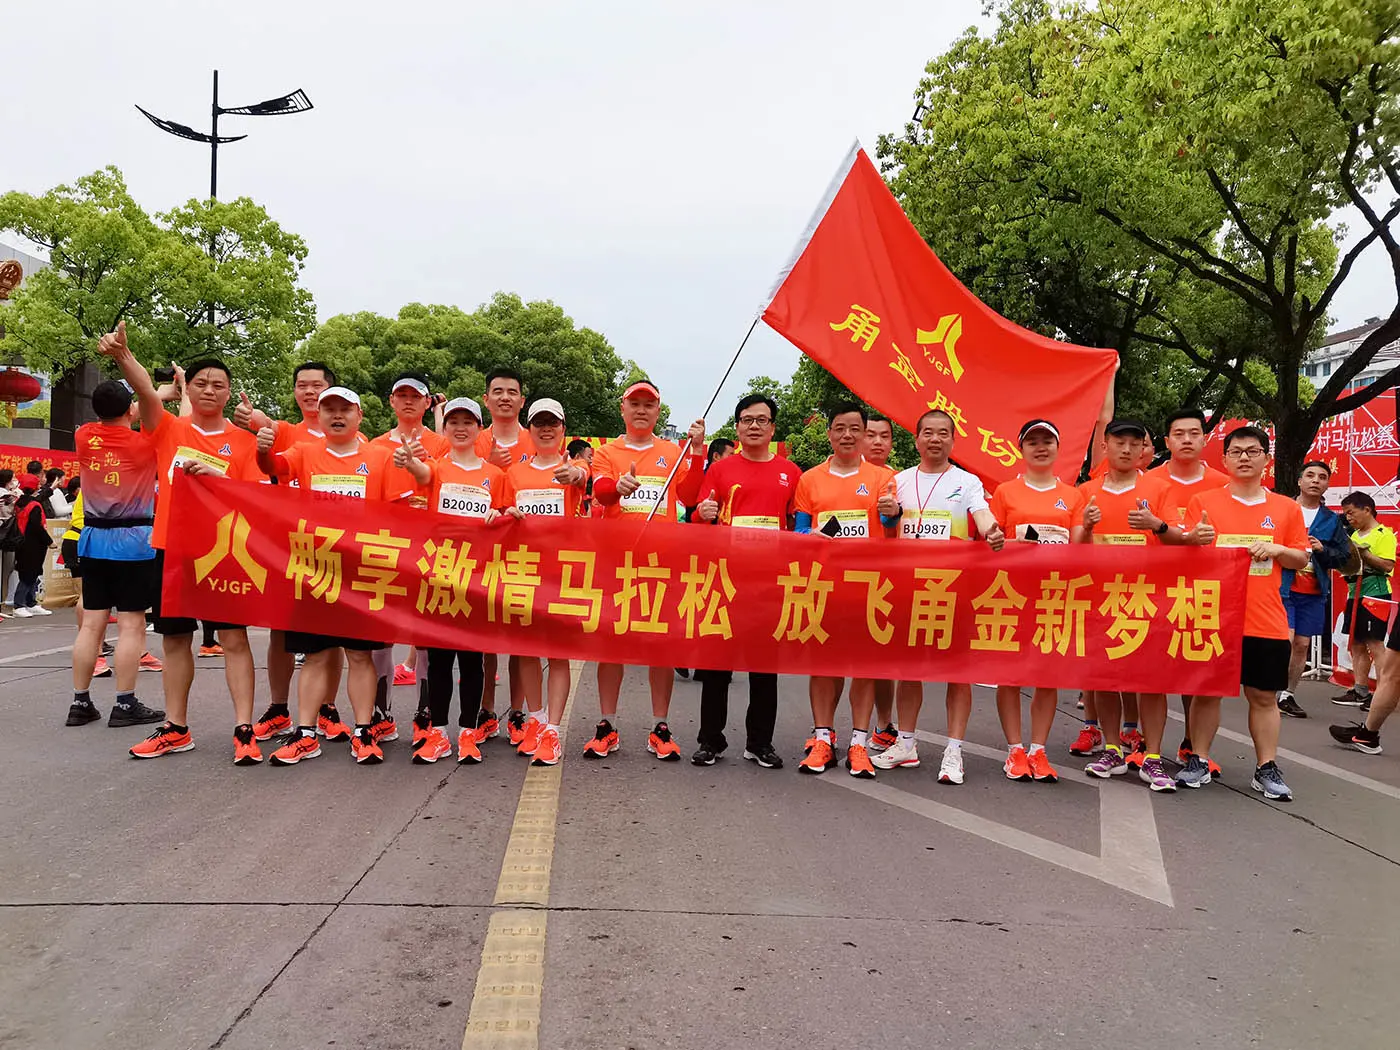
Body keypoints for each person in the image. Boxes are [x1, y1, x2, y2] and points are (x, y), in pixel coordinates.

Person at [99, 325, 266, 764]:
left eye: (218, 384)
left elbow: (259, 500)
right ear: (187, 388)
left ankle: (244, 729)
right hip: (172, 550)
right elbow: (144, 392)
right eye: (201, 383)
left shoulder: (243, 443)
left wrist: (219, 479)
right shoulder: (168, 428)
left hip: (227, 555)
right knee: (175, 641)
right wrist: (123, 356)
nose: (210, 390)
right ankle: (176, 727)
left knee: (233, 639)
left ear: (229, 393)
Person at [260, 386, 426, 766]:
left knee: (360, 655)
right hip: (314, 570)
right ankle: (306, 734)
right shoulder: (304, 452)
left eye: (345, 409)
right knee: (315, 655)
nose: (337, 415)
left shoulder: (380, 457)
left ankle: (364, 731)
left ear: (359, 416)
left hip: (362, 572)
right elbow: (272, 468)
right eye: (329, 409)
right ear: (318, 416)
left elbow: (402, 510)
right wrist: (263, 449)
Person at [1177, 425, 1308, 800]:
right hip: (1212, 616)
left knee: (1263, 696)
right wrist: (1194, 541)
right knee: (1206, 693)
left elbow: (1300, 557)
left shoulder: (1286, 508)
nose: (1244, 458)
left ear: (1267, 458)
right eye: (1236, 452)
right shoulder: (1203, 502)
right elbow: (1185, 554)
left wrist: (1278, 550)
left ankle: (1266, 767)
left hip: (1264, 618)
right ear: (1225, 459)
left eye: (1253, 451)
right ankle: (1198, 759)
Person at [875, 408, 1004, 783]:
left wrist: (992, 531)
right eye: (928, 432)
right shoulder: (898, 480)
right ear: (916, 438)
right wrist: (889, 514)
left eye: (943, 433)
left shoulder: (967, 481)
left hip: (954, 590)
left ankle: (954, 751)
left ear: (953, 440)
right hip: (909, 590)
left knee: (957, 673)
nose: (935, 439)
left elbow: (982, 516)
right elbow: (887, 526)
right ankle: (906, 744)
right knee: (908, 671)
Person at [585, 380, 706, 762]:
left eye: (648, 404)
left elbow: (689, 496)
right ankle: (607, 725)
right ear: (623, 408)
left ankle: (660, 727)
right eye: (634, 403)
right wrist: (618, 488)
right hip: (617, 565)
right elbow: (601, 490)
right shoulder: (607, 452)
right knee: (611, 646)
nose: (641, 410)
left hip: (661, 565)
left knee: (660, 646)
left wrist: (697, 451)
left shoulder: (672, 451)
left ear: (658, 411)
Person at [232, 361, 351, 742]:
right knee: (281, 631)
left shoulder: (352, 437)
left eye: (317, 385)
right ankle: (279, 708)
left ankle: (327, 708)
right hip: (288, 551)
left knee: (333, 636)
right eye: (302, 385)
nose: (310, 392)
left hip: (334, 553)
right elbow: (262, 431)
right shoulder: (284, 432)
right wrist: (250, 419)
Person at [689, 394, 798, 770]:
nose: (754, 426)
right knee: (716, 666)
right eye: (747, 419)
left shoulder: (790, 472)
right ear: (736, 427)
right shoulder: (720, 470)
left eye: (761, 420)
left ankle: (759, 742)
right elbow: (698, 517)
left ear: (772, 428)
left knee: (764, 668)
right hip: (724, 579)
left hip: (769, 583)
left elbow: (798, 525)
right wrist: (703, 513)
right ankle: (710, 740)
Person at [793, 403, 897, 778]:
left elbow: (889, 525)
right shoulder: (810, 480)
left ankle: (858, 743)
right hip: (823, 584)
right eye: (840, 428)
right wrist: (810, 535)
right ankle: (823, 739)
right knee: (823, 664)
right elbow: (799, 529)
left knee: (863, 665)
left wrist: (892, 513)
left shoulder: (884, 478)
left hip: (869, 586)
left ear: (865, 433)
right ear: (829, 434)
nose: (848, 435)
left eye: (855, 428)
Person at [1076, 420, 1177, 791]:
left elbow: (1180, 541)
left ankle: (1153, 756)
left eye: (1136, 443)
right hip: (1101, 601)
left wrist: (1156, 525)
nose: (1127, 449)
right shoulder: (1086, 492)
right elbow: (1074, 549)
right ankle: (1112, 749)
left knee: (1151, 682)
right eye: (1120, 441)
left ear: (1143, 449)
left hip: (1147, 600)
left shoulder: (1159, 489)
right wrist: (1087, 527)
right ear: (1105, 445)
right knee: (1105, 679)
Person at [987, 419, 1088, 783]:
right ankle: (1015, 749)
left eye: (1048, 441)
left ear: (1058, 448)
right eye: (1033, 442)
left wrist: (1090, 526)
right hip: (1013, 594)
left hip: (1055, 594)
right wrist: (1013, 544)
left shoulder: (1073, 496)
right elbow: (991, 543)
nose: (1041, 447)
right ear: (1022, 449)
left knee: (1048, 675)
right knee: (1010, 675)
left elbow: (1079, 546)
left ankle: (1038, 750)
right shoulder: (1005, 492)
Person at [413, 396, 511, 764]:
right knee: (439, 661)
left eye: (467, 421)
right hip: (438, 576)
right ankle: (438, 733)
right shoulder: (435, 468)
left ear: (479, 428)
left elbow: (507, 516)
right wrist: (409, 461)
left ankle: (469, 732)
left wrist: (502, 517)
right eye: (453, 421)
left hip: (477, 580)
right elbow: (420, 478)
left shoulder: (495, 475)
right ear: (445, 427)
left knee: (472, 662)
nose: (460, 427)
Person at [66, 380, 165, 730]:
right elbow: (154, 414)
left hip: (93, 539)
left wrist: (142, 401)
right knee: (131, 623)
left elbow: (125, 413)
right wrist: (161, 393)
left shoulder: (84, 436)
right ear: (129, 409)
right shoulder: (145, 442)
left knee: (92, 624)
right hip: (134, 542)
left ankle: (80, 702)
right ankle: (124, 703)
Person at [503, 398, 590, 765]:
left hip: (560, 575)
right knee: (525, 651)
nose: (546, 429)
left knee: (557, 655)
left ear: (563, 429)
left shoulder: (574, 466)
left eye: (552, 423)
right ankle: (536, 719)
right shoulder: (515, 474)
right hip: (523, 572)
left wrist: (574, 475)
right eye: (539, 423)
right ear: (530, 429)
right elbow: (503, 514)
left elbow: (581, 476)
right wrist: (507, 514)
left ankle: (553, 730)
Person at [1146, 407, 1231, 765]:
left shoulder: (1223, 483)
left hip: (1204, 590)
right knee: (1153, 673)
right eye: (1178, 434)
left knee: (1196, 671)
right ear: (1167, 440)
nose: (1186, 440)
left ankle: (1193, 747)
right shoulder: (1148, 481)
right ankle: (1147, 747)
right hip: (1154, 589)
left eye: (1194, 433)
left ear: (1205, 439)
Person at [475, 367, 535, 736]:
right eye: (497, 391)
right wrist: (491, 469)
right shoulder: (474, 438)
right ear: (487, 399)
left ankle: (516, 712)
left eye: (512, 392)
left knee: (519, 638)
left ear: (522, 400)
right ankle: (486, 710)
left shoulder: (537, 438)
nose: (505, 398)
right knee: (485, 641)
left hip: (525, 555)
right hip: (483, 554)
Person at [1278, 462, 1350, 718]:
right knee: (1285, 640)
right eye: (1309, 475)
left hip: (1313, 592)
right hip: (1282, 587)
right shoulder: (1282, 509)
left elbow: (1343, 556)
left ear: (1327, 485)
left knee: (1302, 644)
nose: (1315, 480)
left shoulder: (1331, 520)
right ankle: (1266, 690)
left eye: (1322, 477)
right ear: (1299, 481)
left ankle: (1287, 694)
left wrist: (1323, 550)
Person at [1330, 492, 1396, 712]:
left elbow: (1387, 565)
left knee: (1375, 644)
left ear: (1367, 509)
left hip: (1375, 595)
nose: (1348, 518)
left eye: (1351, 512)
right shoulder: (1354, 536)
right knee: (1356, 644)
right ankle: (1360, 690)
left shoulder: (1383, 534)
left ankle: (1384, 693)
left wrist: (1364, 554)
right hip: (1354, 593)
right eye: (1346, 514)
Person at [861, 413, 899, 749]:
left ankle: (884, 724)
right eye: (870, 434)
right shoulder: (832, 474)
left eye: (883, 436)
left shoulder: (900, 481)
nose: (876, 442)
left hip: (885, 584)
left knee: (881, 661)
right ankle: (824, 730)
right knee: (831, 659)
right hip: (838, 581)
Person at [10, 474, 52, 618]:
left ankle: (31, 603)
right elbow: (36, 526)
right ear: (36, 487)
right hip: (33, 545)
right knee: (29, 575)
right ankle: (19, 605)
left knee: (29, 573)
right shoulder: (34, 505)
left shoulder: (18, 503)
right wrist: (49, 541)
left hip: (20, 542)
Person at [0, 468, 17, 614]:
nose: (15, 480)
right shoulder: (6, 495)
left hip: (5, 534)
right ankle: (4, 601)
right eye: (13, 478)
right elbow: (8, 512)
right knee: (7, 570)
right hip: (5, 534)